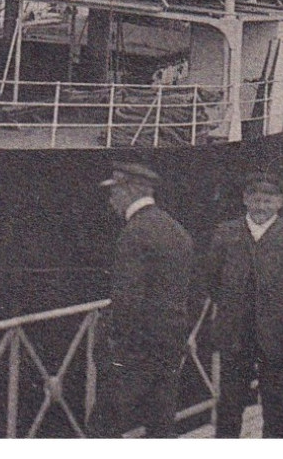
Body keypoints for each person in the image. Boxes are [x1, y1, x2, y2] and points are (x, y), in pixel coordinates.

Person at [203, 171, 283, 439]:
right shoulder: (226, 234)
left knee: (277, 411)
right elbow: (212, 281)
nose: (261, 207)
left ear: (280, 203)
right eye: (256, 200)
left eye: (268, 201)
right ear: (245, 200)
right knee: (229, 408)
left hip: (278, 338)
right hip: (235, 336)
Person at [87, 162, 196, 439]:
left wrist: (112, 343)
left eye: (114, 193)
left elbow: (127, 299)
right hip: (170, 344)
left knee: (103, 426)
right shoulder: (176, 229)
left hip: (136, 351)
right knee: (160, 423)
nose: (111, 201)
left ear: (129, 191)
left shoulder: (134, 233)